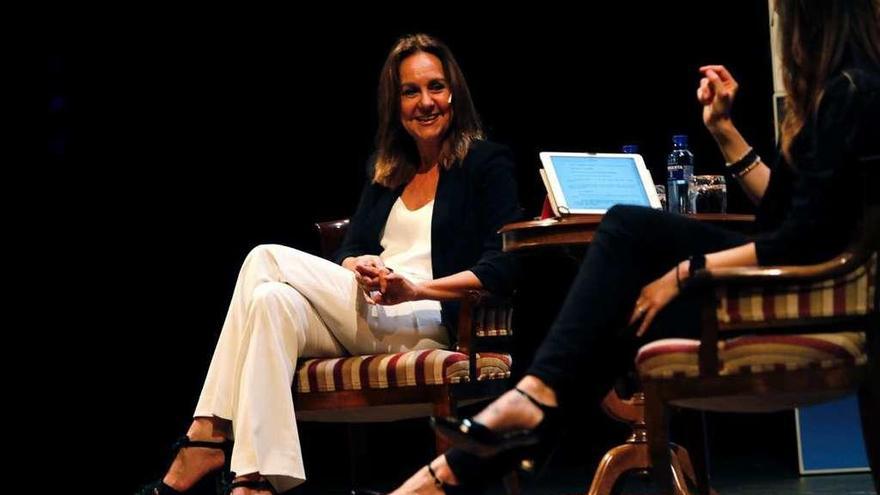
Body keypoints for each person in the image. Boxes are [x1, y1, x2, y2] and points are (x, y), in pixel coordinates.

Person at [386, 1, 880, 493]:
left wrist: (687, 272)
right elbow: (785, 213)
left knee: (621, 259)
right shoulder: (839, 94)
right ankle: (499, 437)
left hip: (796, 300)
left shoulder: (853, 94)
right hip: (789, 283)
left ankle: (501, 432)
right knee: (619, 272)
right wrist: (723, 132)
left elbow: (803, 237)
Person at [136, 33, 520, 495]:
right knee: (270, 299)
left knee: (265, 259)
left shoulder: (484, 163)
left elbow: (503, 266)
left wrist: (414, 289)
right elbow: (348, 251)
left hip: (424, 318)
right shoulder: (387, 170)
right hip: (368, 310)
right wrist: (359, 265)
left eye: (435, 87)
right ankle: (255, 482)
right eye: (410, 91)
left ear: (454, 92)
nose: (425, 102)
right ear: (394, 103)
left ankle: (208, 435)